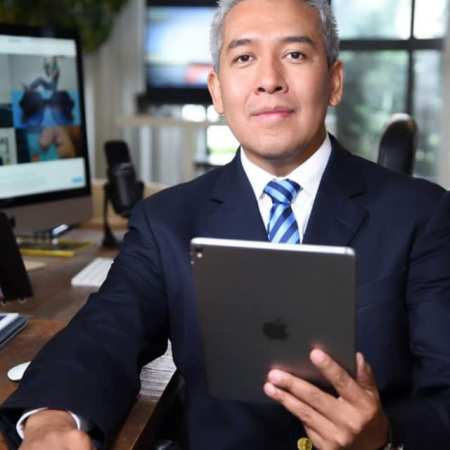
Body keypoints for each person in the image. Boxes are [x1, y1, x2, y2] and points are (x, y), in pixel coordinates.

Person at [1, 0, 450, 449]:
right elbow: (104, 333)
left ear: (334, 81)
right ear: (216, 91)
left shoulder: (423, 214)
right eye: (244, 57)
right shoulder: (167, 220)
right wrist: (51, 418)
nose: (269, 80)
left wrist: (385, 437)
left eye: (295, 54)